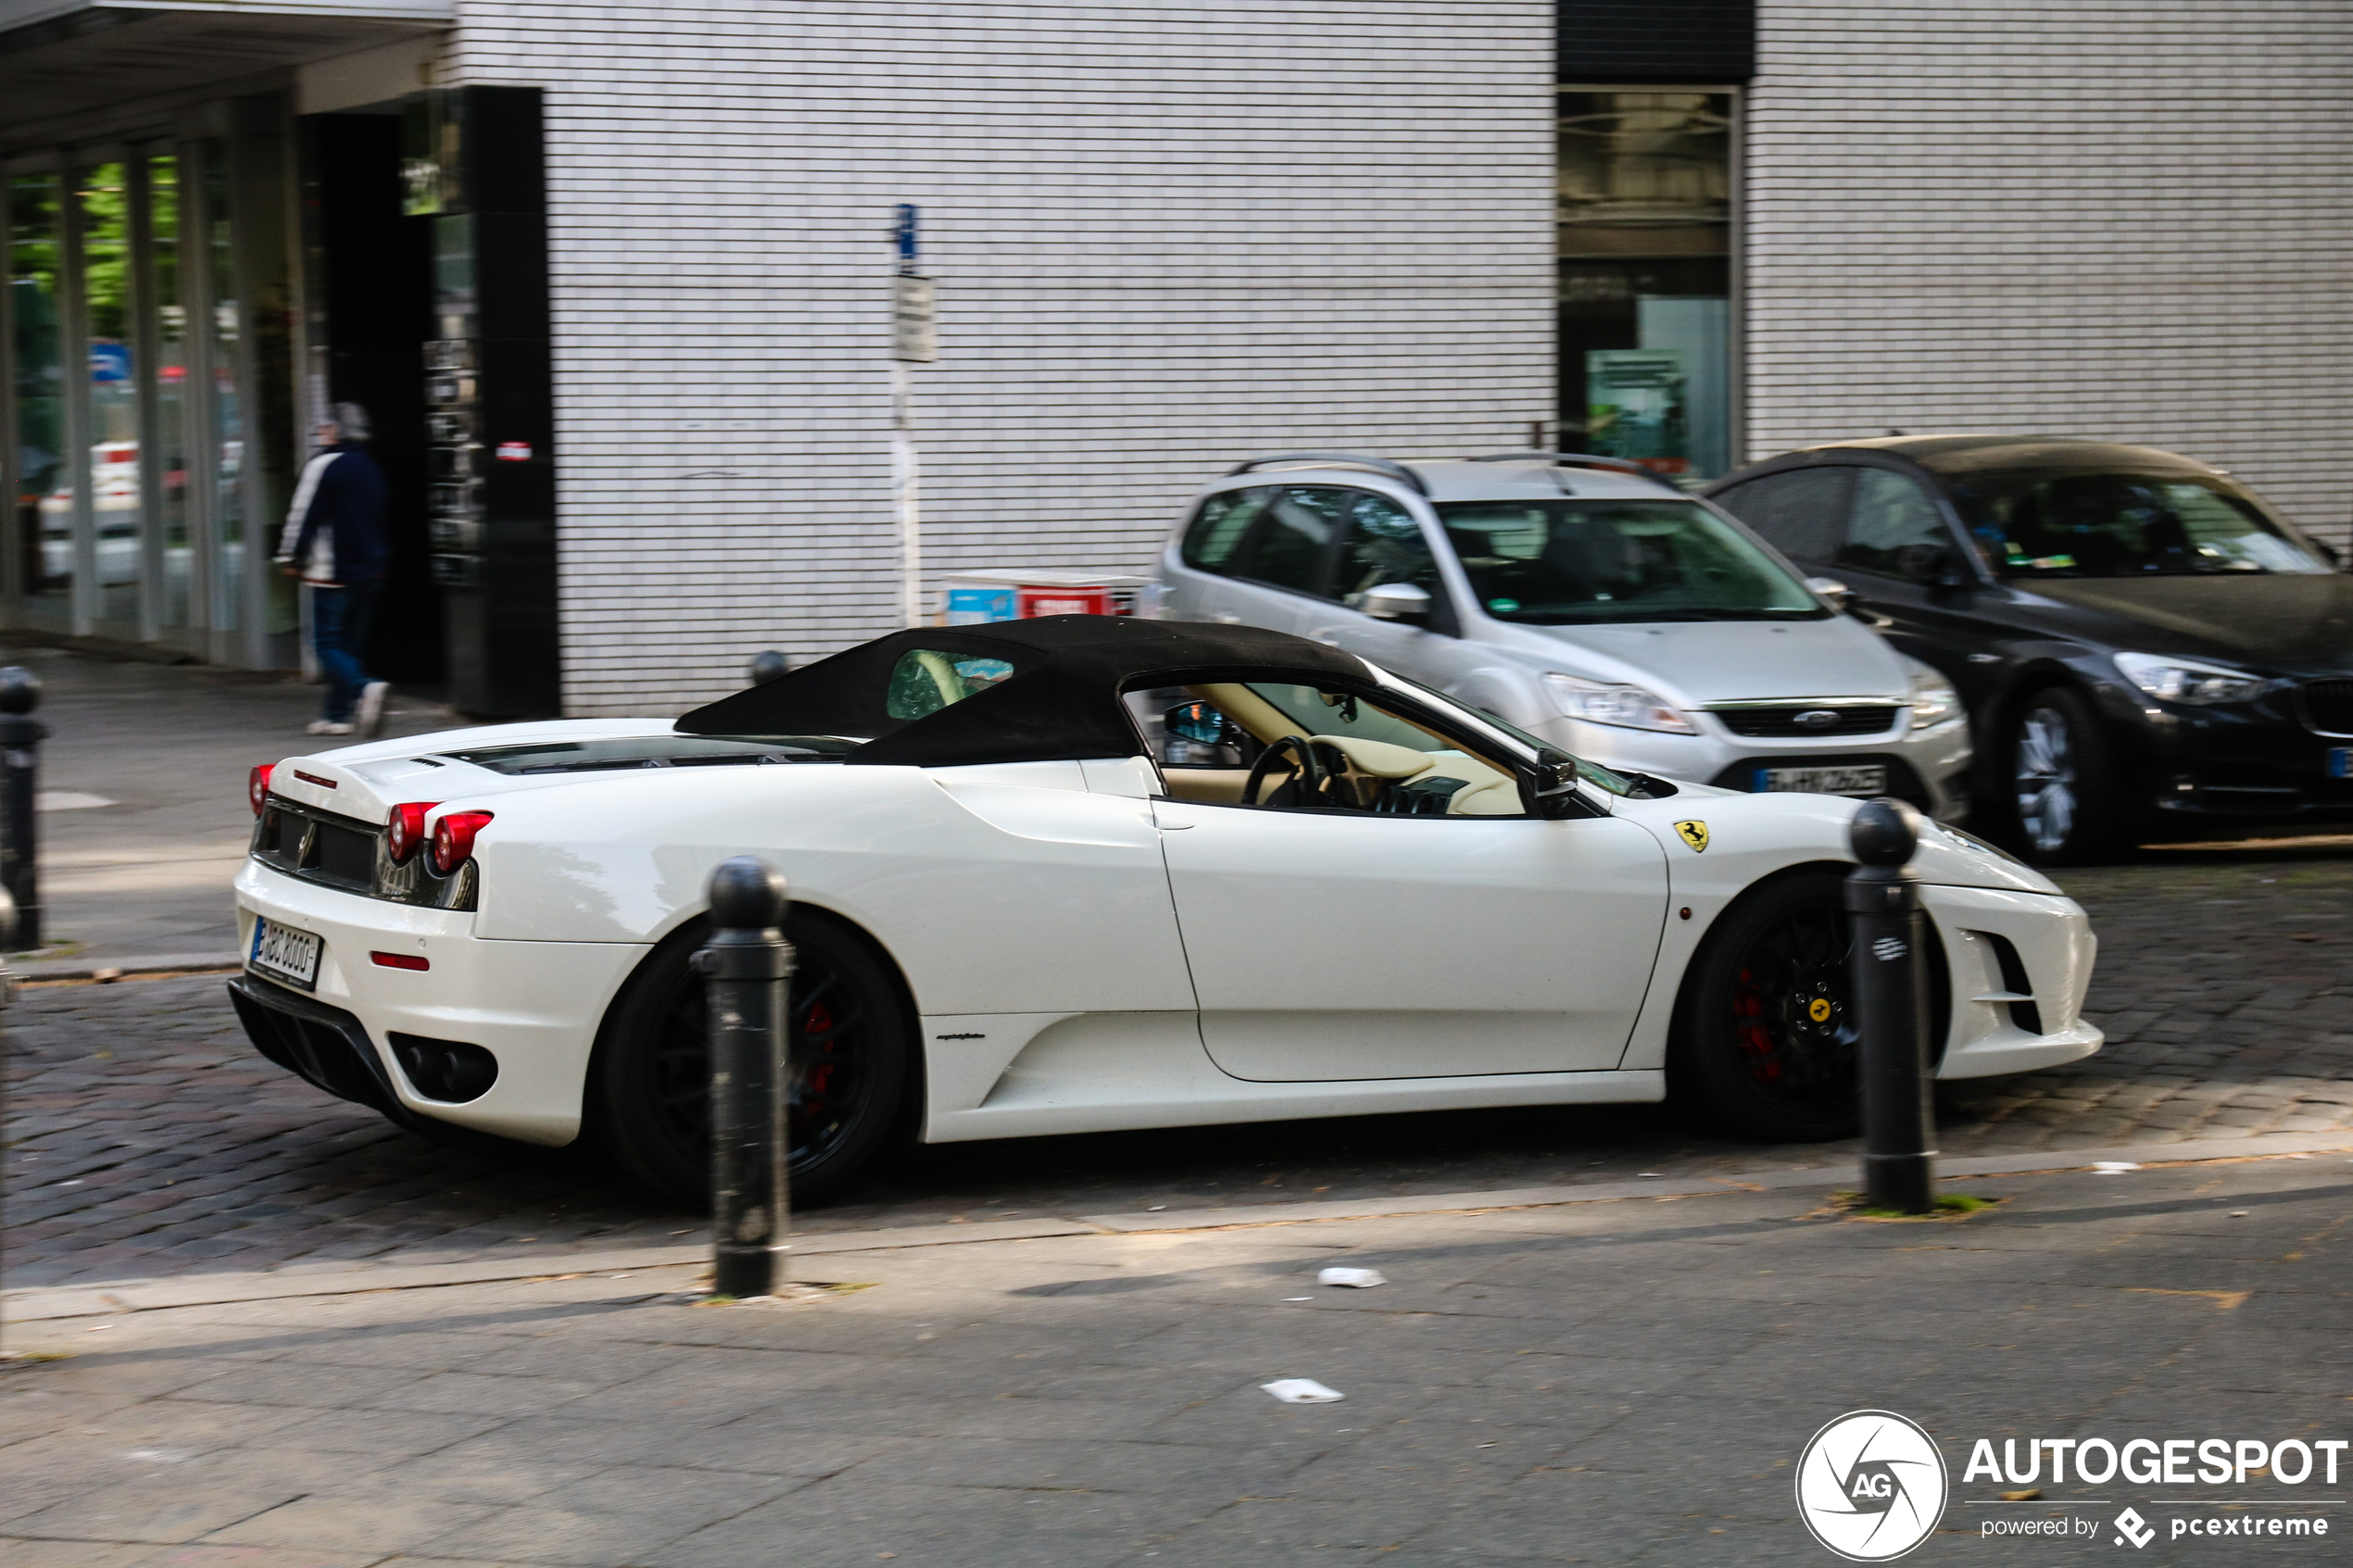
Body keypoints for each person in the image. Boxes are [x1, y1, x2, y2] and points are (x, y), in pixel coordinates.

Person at [277, 402, 392, 737]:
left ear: (334, 430)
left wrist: (289, 557)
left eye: (323, 428)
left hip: (332, 570)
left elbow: (302, 515)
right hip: (372, 570)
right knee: (350, 645)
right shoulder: (371, 468)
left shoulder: (324, 465)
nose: (320, 434)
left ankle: (364, 687)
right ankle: (337, 715)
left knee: (326, 643)